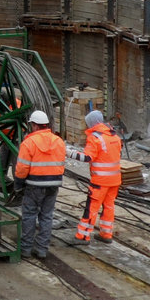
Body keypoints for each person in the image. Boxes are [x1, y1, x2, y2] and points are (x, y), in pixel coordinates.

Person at [12, 110, 66, 259]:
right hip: (53, 185)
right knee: (47, 216)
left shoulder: (29, 142)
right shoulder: (58, 141)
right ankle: (42, 249)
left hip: (34, 185)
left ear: (35, 126)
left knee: (29, 215)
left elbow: (22, 167)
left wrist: (18, 184)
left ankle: (26, 249)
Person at [68, 109, 122, 245]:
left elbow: (87, 157)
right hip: (115, 180)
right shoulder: (114, 136)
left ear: (91, 123)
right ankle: (106, 233)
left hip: (100, 182)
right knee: (109, 207)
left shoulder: (95, 138)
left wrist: (67, 152)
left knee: (91, 208)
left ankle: (83, 236)